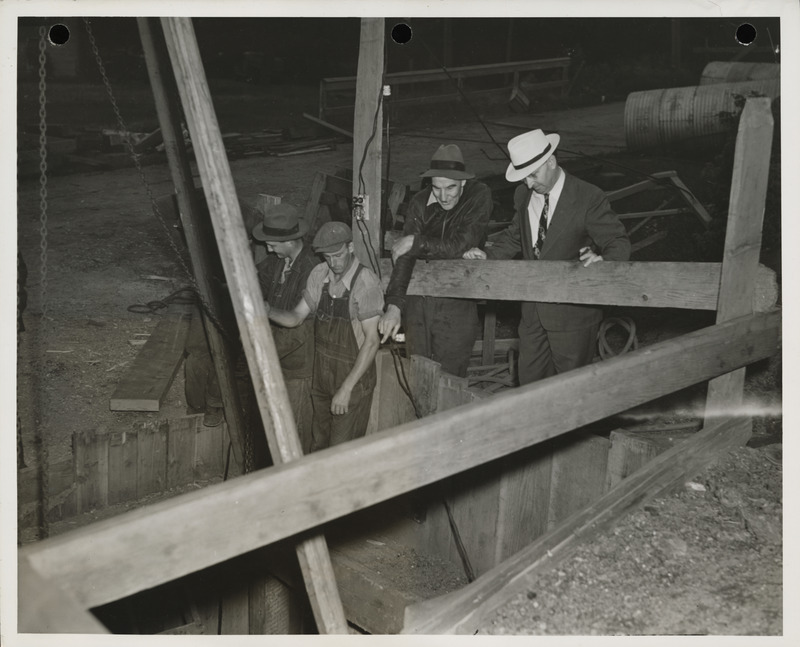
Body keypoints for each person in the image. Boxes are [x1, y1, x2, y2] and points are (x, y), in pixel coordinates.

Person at [463, 129, 630, 385]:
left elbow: (617, 241)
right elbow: (515, 236)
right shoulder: (524, 195)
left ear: (551, 162)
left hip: (573, 316)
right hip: (532, 314)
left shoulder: (588, 197)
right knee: (530, 386)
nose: (529, 184)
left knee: (572, 390)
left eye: (533, 175)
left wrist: (604, 264)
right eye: (524, 178)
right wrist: (488, 256)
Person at [266, 222, 383, 451]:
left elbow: (371, 342)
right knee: (319, 445)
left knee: (342, 452)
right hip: (322, 377)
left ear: (350, 247)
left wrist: (347, 389)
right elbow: (297, 317)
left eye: (338, 255)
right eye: (328, 257)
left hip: (352, 378)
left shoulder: (366, 283)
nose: (334, 263)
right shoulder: (320, 274)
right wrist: (267, 311)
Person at [378, 144, 492, 377]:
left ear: (462, 182)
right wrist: (394, 305)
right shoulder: (420, 202)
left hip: (457, 299)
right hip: (419, 301)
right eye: (436, 188)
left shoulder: (479, 195)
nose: (442, 196)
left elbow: (460, 243)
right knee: (417, 371)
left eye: (450, 188)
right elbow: (403, 256)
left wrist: (417, 243)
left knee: (450, 378)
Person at [252, 202, 318, 454]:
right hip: (278, 353)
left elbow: (296, 319)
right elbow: (256, 278)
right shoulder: (277, 262)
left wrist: (264, 309)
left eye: (272, 244)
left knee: (295, 430)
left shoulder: (311, 269)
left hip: (299, 361)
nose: (267, 247)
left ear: (290, 241)